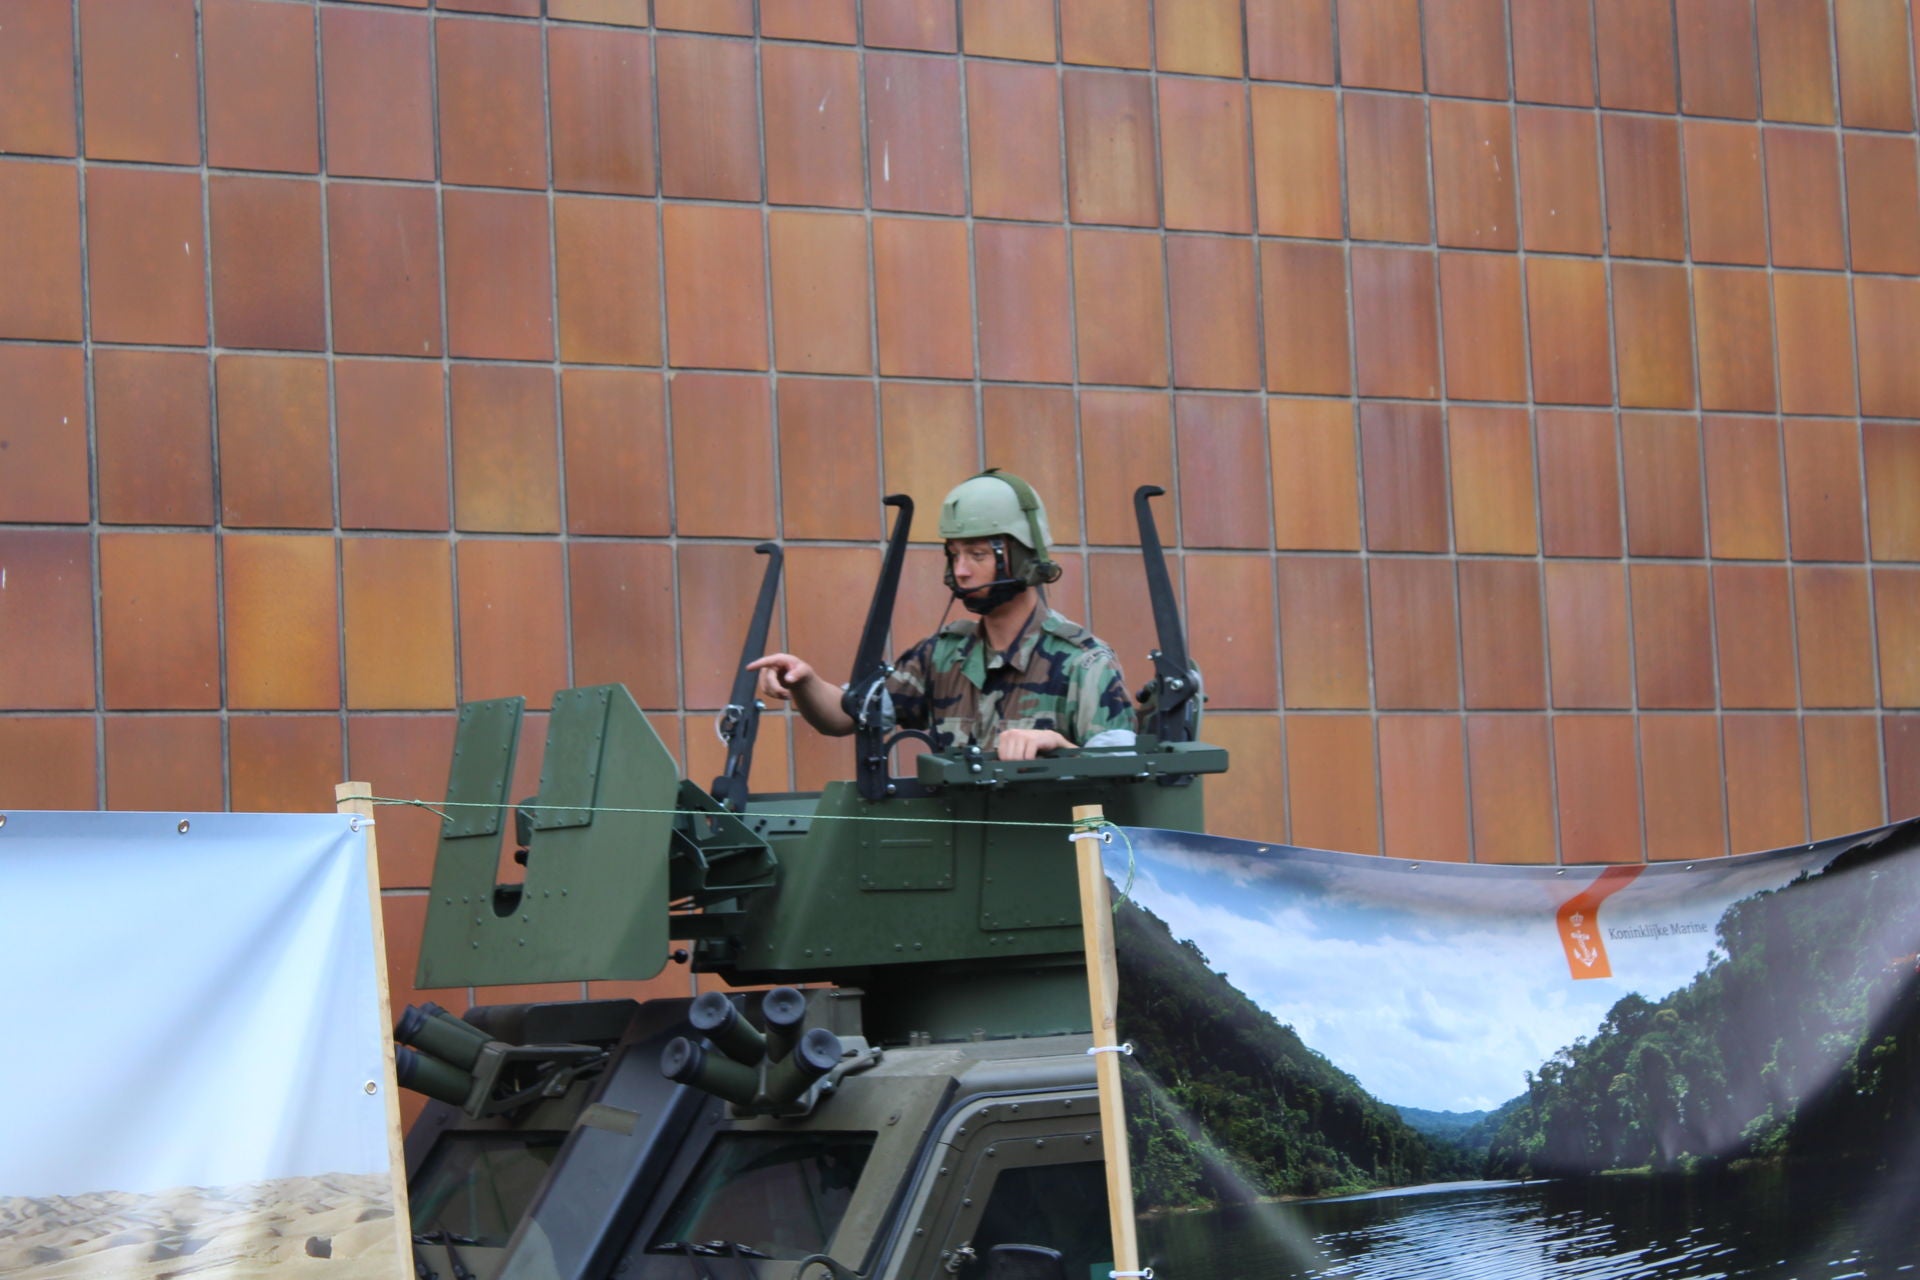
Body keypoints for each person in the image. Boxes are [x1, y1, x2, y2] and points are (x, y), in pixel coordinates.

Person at [749, 470, 1136, 761]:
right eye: (954, 555)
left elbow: (1124, 780)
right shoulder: (941, 656)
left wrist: (1059, 747)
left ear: (1022, 557)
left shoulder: (1084, 663)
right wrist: (804, 681)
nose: (961, 571)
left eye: (977, 555)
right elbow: (849, 715)